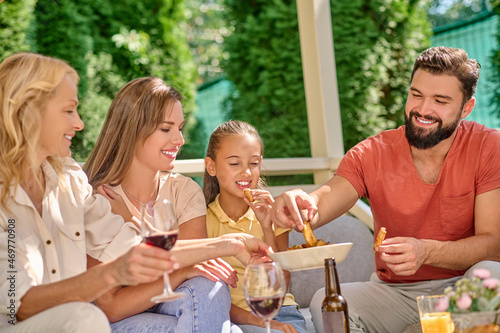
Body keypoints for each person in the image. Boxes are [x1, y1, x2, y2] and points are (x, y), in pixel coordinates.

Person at [0, 52, 272, 332]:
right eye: (69, 110)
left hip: (78, 322)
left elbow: (134, 246)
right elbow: (18, 304)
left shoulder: (70, 182)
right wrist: (112, 273)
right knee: (87, 319)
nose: (79, 123)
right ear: (29, 110)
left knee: (214, 301)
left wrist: (231, 245)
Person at [268, 46, 500, 332]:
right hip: (396, 295)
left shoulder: (489, 147)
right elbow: (325, 198)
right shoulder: (371, 152)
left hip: (461, 287)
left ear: (467, 107)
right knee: (325, 302)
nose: (423, 110)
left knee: (494, 274)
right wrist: (300, 204)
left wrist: (427, 252)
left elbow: (494, 243)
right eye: (416, 94)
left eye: (440, 101)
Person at [84, 77, 243, 332]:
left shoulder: (185, 191)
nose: (179, 140)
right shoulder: (99, 199)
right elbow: (110, 306)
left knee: (209, 285)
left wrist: (134, 223)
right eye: (166, 129)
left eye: (180, 128)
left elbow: (197, 273)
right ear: (133, 129)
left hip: (179, 306)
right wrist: (180, 272)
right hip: (120, 320)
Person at [204, 120, 308, 333]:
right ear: (211, 166)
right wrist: (260, 323)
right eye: (234, 164)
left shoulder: (275, 214)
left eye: (253, 163)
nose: (246, 173)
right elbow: (207, 294)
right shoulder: (203, 221)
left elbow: (281, 284)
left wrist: (267, 225)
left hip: (280, 310)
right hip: (232, 318)